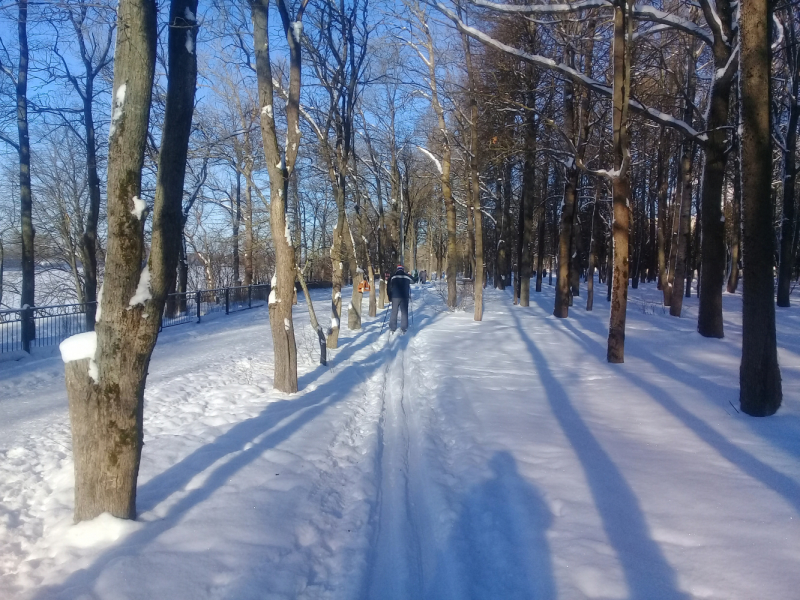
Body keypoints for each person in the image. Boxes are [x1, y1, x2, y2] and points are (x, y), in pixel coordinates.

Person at [387, 264, 412, 333]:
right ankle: (404, 328)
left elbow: (389, 287)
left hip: (395, 296)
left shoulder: (393, 277)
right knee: (404, 312)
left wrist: (389, 296)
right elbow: (413, 280)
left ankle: (392, 328)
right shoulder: (407, 277)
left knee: (394, 312)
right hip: (404, 297)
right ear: (403, 269)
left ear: (397, 269)